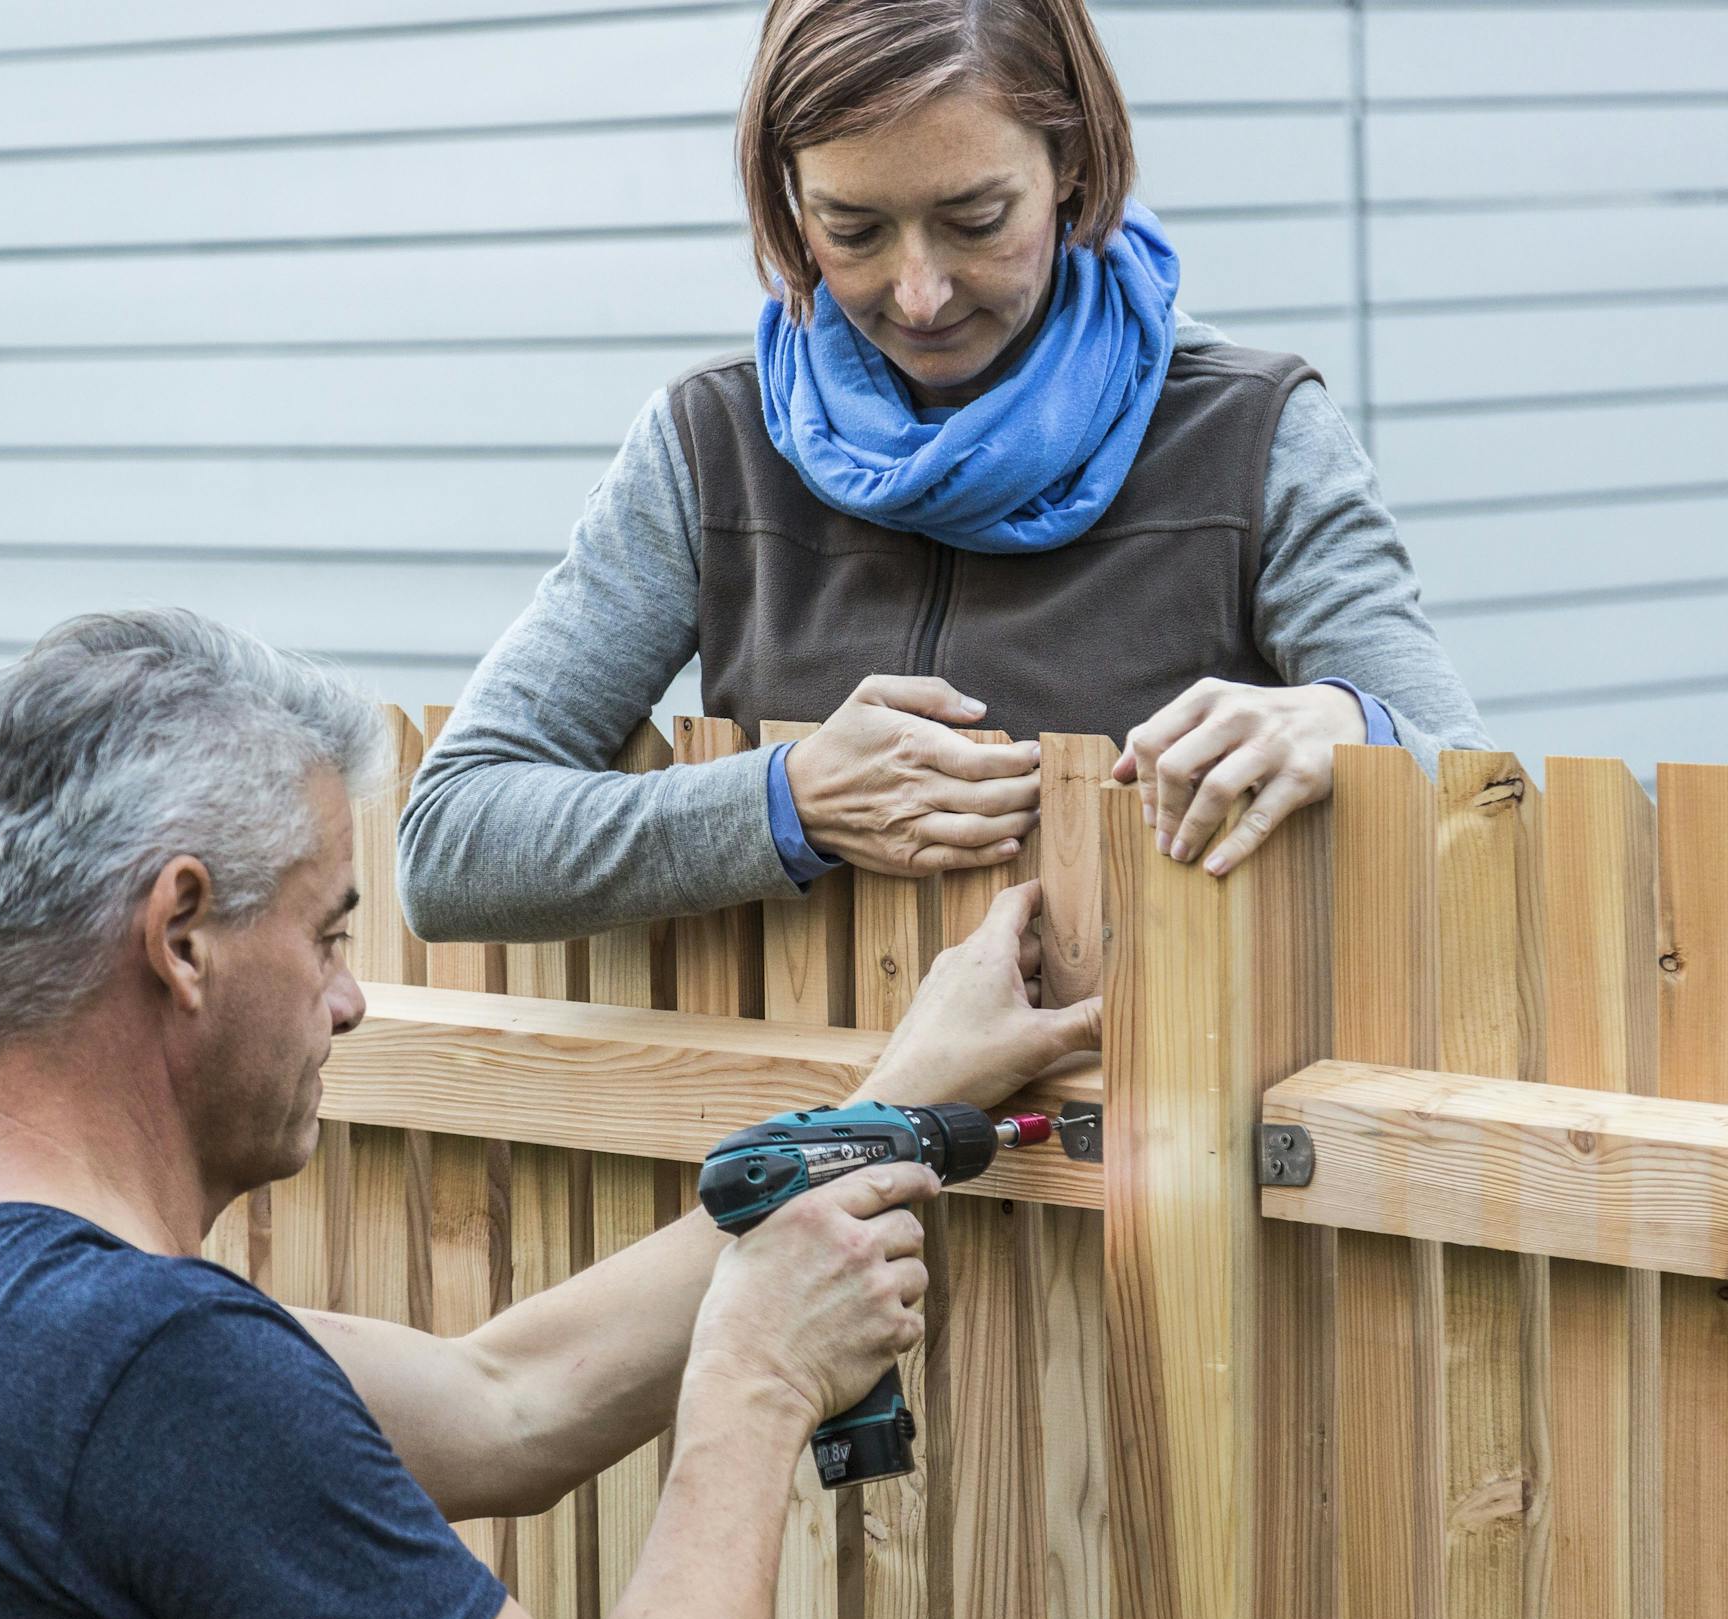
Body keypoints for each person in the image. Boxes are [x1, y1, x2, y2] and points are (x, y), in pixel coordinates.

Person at [0, 610, 1098, 1619]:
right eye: (325, 935)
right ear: (182, 934)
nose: (351, 999)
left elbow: (508, 1402)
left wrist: (894, 1102)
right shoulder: (155, 1377)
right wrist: (759, 1387)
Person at [397, 0, 1492, 949]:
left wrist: (1356, 726)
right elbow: (451, 840)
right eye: (852, 229)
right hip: (811, 1175)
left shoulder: (1253, 434)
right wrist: (788, 803)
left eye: (976, 220)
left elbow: (1479, 792)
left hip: (1160, 1165)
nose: (918, 294)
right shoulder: (709, 444)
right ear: (788, 201)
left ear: (1074, 165)